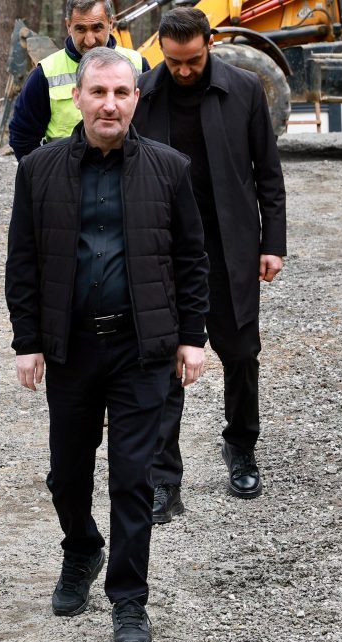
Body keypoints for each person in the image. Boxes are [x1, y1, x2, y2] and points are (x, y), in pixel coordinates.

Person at [5, 47, 210, 642]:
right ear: (79, 98)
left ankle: (129, 601)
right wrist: (27, 341)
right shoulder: (38, 170)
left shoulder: (170, 169)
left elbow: (191, 260)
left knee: (133, 479)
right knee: (66, 475)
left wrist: (192, 337)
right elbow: (23, 262)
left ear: (136, 99)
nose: (110, 104)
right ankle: (81, 549)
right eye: (98, 92)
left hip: (140, 349)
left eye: (121, 93)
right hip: (70, 350)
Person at [132, 7, 287, 521]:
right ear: (161, 49)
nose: (183, 70)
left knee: (240, 354)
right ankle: (163, 479)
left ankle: (240, 448)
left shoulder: (244, 89)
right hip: (161, 251)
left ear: (210, 44)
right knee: (162, 362)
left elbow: (268, 173)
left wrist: (272, 243)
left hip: (229, 249)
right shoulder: (141, 93)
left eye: (193, 60)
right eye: (173, 61)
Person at [8, 0, 149, 161]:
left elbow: (155, 125)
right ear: (68, 26)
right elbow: (22, 136)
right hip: (66, 173)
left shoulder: (138, 65)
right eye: (81, 29)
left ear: (111, 23)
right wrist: (44, 172)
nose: (90, 41)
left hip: (128, 171)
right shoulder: (46, 73)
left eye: (97, 28)